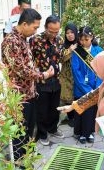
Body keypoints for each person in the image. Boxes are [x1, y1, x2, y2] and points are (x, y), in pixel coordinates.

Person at [1, 8, 53, 161]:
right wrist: (43, 74)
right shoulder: (11, 41)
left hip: (29, 93)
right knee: (19, 131)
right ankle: (19, 160)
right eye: (35, 27)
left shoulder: (23, 39)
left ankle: (27, 155)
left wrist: (38, 71)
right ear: (24, 24)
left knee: (30, 129)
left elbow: (28, 65)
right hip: (19, 97)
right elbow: (21, 69)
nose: (36, 31)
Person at [29, 15, 64, 146]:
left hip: (56, 80)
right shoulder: (35, 40)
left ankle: (53, 129)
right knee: (42, 110)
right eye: (51, 31)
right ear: (45, 28)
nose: (54, 34)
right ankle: (42, 134)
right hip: (42, 81)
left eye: (57, 31)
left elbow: (60, 57)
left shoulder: (59, 40)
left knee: (55, 108)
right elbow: (29, 60)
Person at [71, 26, 103, 143]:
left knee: (91, 110)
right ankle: (80, 133)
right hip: (81, 88)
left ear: (92, 37)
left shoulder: (99, 50)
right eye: (81, 39)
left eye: (86, 39)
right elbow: (76, 71)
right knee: (81, 110)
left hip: (95, 87)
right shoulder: (76, 52)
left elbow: (102, 69)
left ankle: (89, 132)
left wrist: (97, 86)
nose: (84, 42)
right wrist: (86, 89)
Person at [60, 23, 78, 127]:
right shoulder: (63, 46)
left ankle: (78, 117)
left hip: (78, 76)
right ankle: (71, 118)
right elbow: (61, 59)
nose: (69, 35)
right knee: (68, 98)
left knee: (78, 96)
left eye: (72, 32)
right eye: (67, 33)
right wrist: (70, 50)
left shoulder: (80, 44)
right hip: (66, 76)